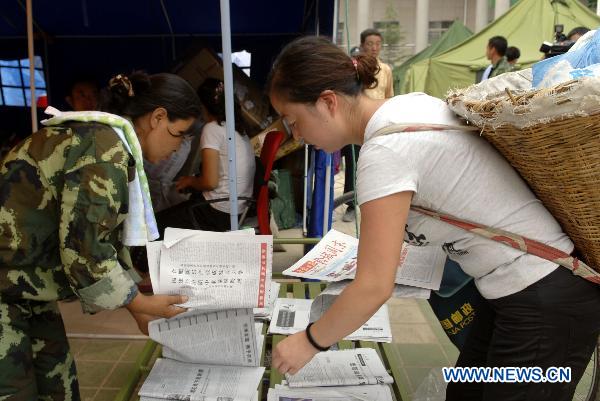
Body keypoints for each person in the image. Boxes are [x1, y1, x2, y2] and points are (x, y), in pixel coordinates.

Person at [267, 36, 600, 401]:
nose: (295, 135)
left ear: (327, 102)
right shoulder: (411, 105)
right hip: (518, 291)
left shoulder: (385, 152)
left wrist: (310, 341)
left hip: (544, 300)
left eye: (294, 121)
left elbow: (373, 287)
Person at [0, 71, 202, 400]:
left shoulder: (106, 139)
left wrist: (135, 299)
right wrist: (140, 302)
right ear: (157, 118)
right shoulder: (103, 150)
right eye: (179, 134)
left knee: (58, 383)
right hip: (8, 285)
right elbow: (85, 251)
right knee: (15, 390)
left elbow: (99, 238)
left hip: (27, 286)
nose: (178, 148)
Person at [155, 78, 256, 233]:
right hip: (238, 211)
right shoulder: (240, 130)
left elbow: (210, 182)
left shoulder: (212, 128)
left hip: (217, 212)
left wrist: (190, 180)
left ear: (203, 106)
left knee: (157, 224)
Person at [341, 29, 395, 222]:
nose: (374, 47)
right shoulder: (354, 67)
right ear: (363, 44)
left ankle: (376, 206)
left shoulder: (386, 69)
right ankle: (350, 204)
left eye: (377, 44)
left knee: (377, 164)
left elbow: (388, 96)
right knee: (353, 165)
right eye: (370, 44)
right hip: (356, 124)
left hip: (378, 125)